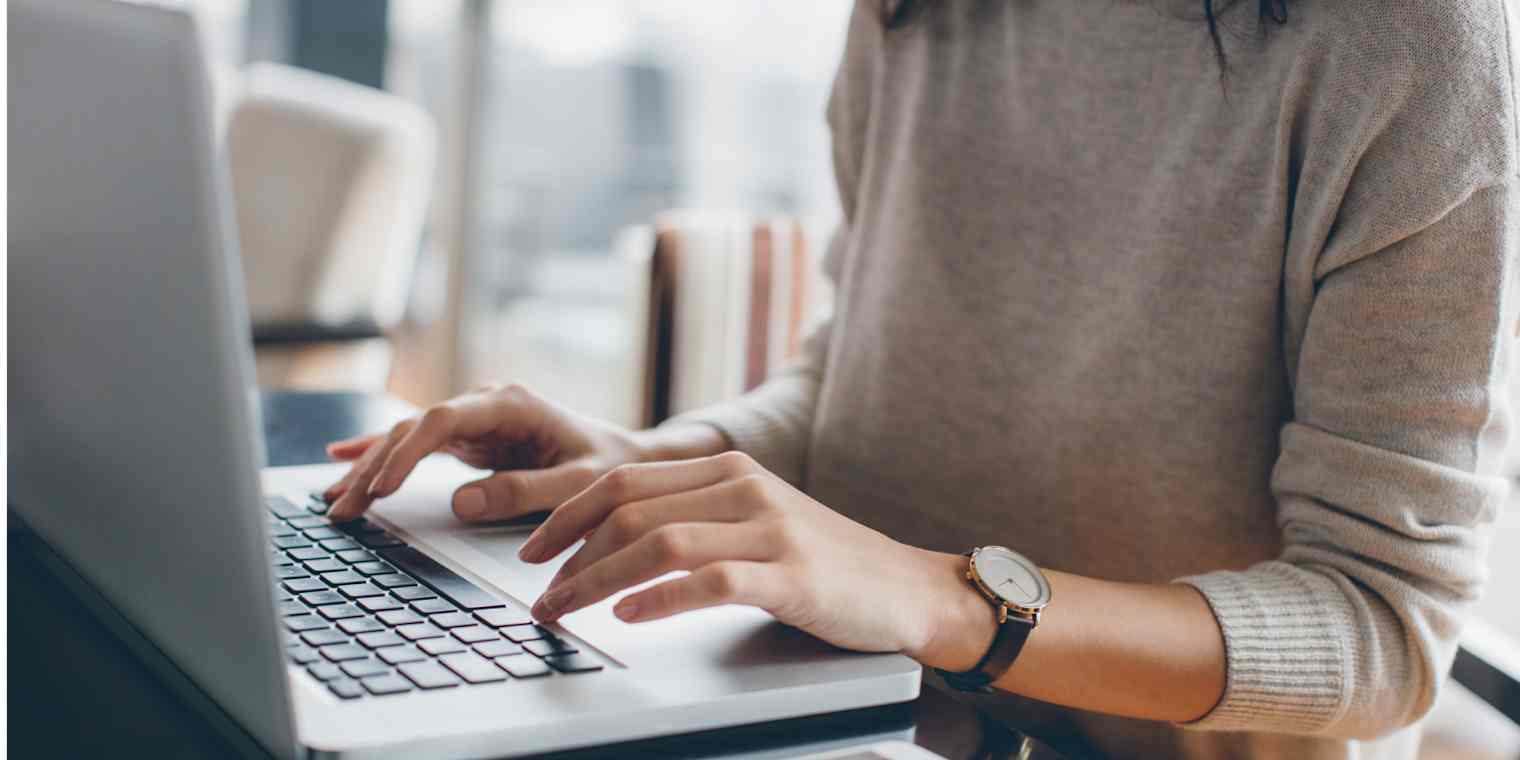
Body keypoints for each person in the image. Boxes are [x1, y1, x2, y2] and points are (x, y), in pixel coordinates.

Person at [321, 1, 1518, 758]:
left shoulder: (1408, 41)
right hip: (856, 721)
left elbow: (1382, 625)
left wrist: (945, 600)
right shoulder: (910, 12)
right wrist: (650, 463)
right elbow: (857, 375)